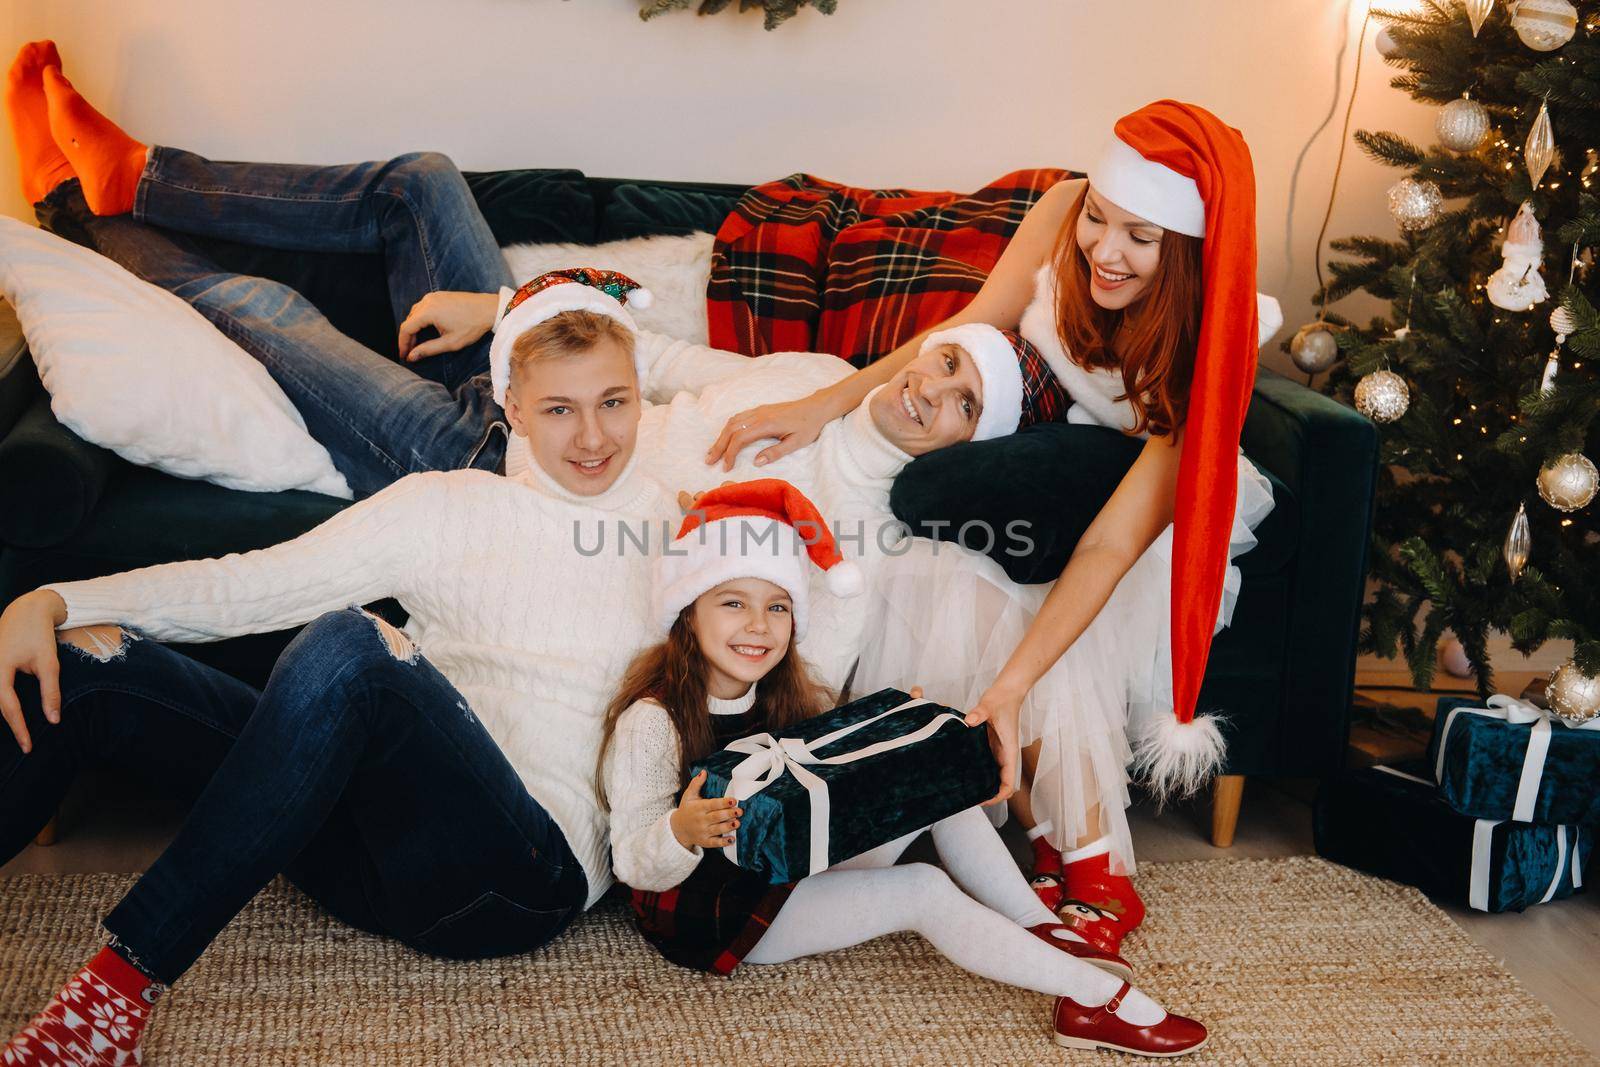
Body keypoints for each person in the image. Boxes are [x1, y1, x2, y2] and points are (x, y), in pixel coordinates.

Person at [0, 274, 665, 1066]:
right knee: (86, 661)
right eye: (560, 408)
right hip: (360, 847)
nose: (593, 437)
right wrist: (55, 598)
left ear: (642, 398)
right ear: (514, 409)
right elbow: (250, 583)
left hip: (513, 879)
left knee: (353, 645)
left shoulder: (680, 530)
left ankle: (109, 1001)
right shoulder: (441, 507)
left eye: (613, 402)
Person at [703, 101, 1282, 957]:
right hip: (1035, 446)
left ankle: (1085, 848)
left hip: (1131, 489)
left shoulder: (1200, 348)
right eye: (1099, 219)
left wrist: (1009, 688)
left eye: (1140, 238)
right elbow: (967, 324)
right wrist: (822, 403)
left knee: (1030, 589)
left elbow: (1113, 545)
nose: (1103, 251)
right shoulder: (1061, 211)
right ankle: (1045, 829)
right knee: (946, 554)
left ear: (1187, 252)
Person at [598, 479, 1206, 1058]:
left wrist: (903, 739)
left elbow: (826, 777)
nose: (758, 626)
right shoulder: (653, 721)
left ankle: (1037, 925)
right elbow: (632, 861)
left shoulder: (781, 694)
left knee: (929, 783)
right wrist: (682, 830)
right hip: (715, 912)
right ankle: (1095, 1001)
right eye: (733, 603)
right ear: (687, 614)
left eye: (777, 607)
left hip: (793, 863)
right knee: (922, 889)